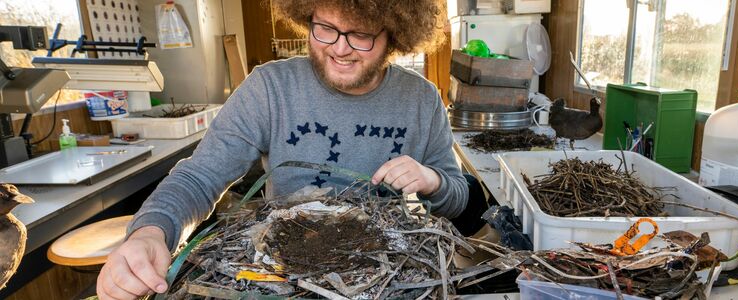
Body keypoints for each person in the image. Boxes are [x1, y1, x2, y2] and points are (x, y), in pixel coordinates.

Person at [96, 0, 468, 299]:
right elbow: (200, 177)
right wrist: (151, 232)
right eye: (324, 28)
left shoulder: (420, 99)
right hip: (281, 272)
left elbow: (458, 197)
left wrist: (432, 180)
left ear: (394, 35)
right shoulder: (270, 88)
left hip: (383, 278)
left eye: (360, 35)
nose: (339, 48)